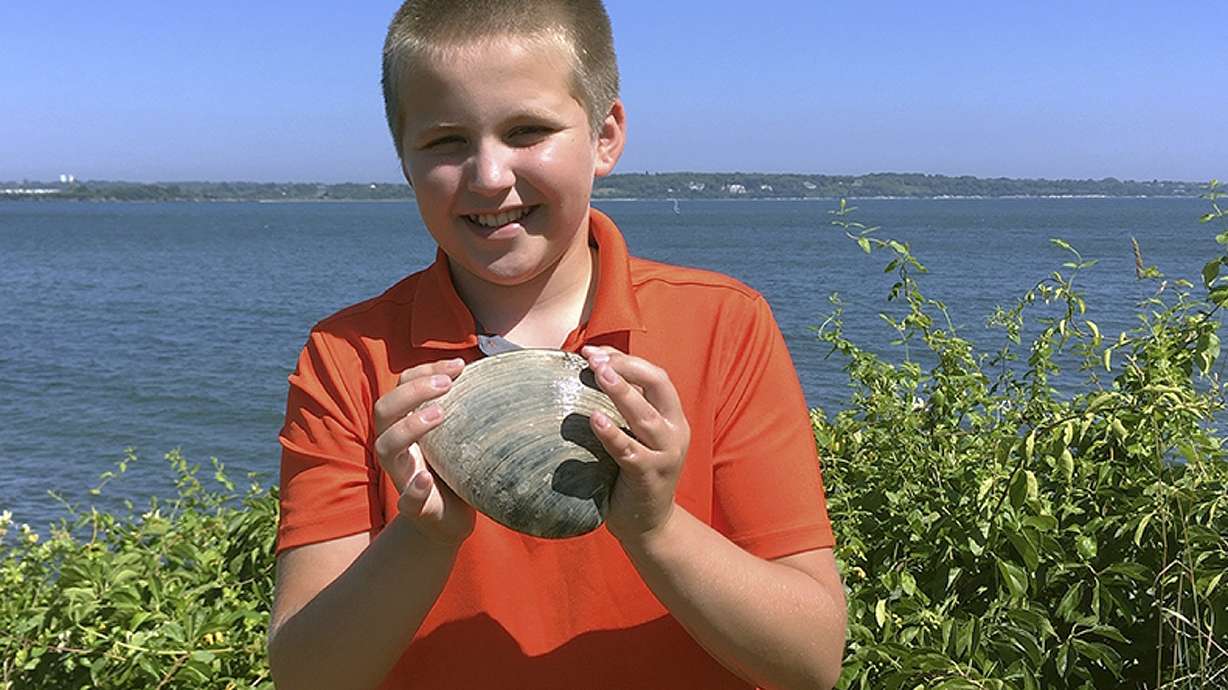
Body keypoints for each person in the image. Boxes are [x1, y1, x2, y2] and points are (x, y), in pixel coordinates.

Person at [266, 1, 847, 688]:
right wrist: (422, 538)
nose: (488, 176)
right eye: (445, 141)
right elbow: (307, 676)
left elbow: (812, 660)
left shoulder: (726, 324)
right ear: (403, 157)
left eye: (527, 131)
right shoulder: (348, 356)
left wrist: (656, 529)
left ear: (605, 135)